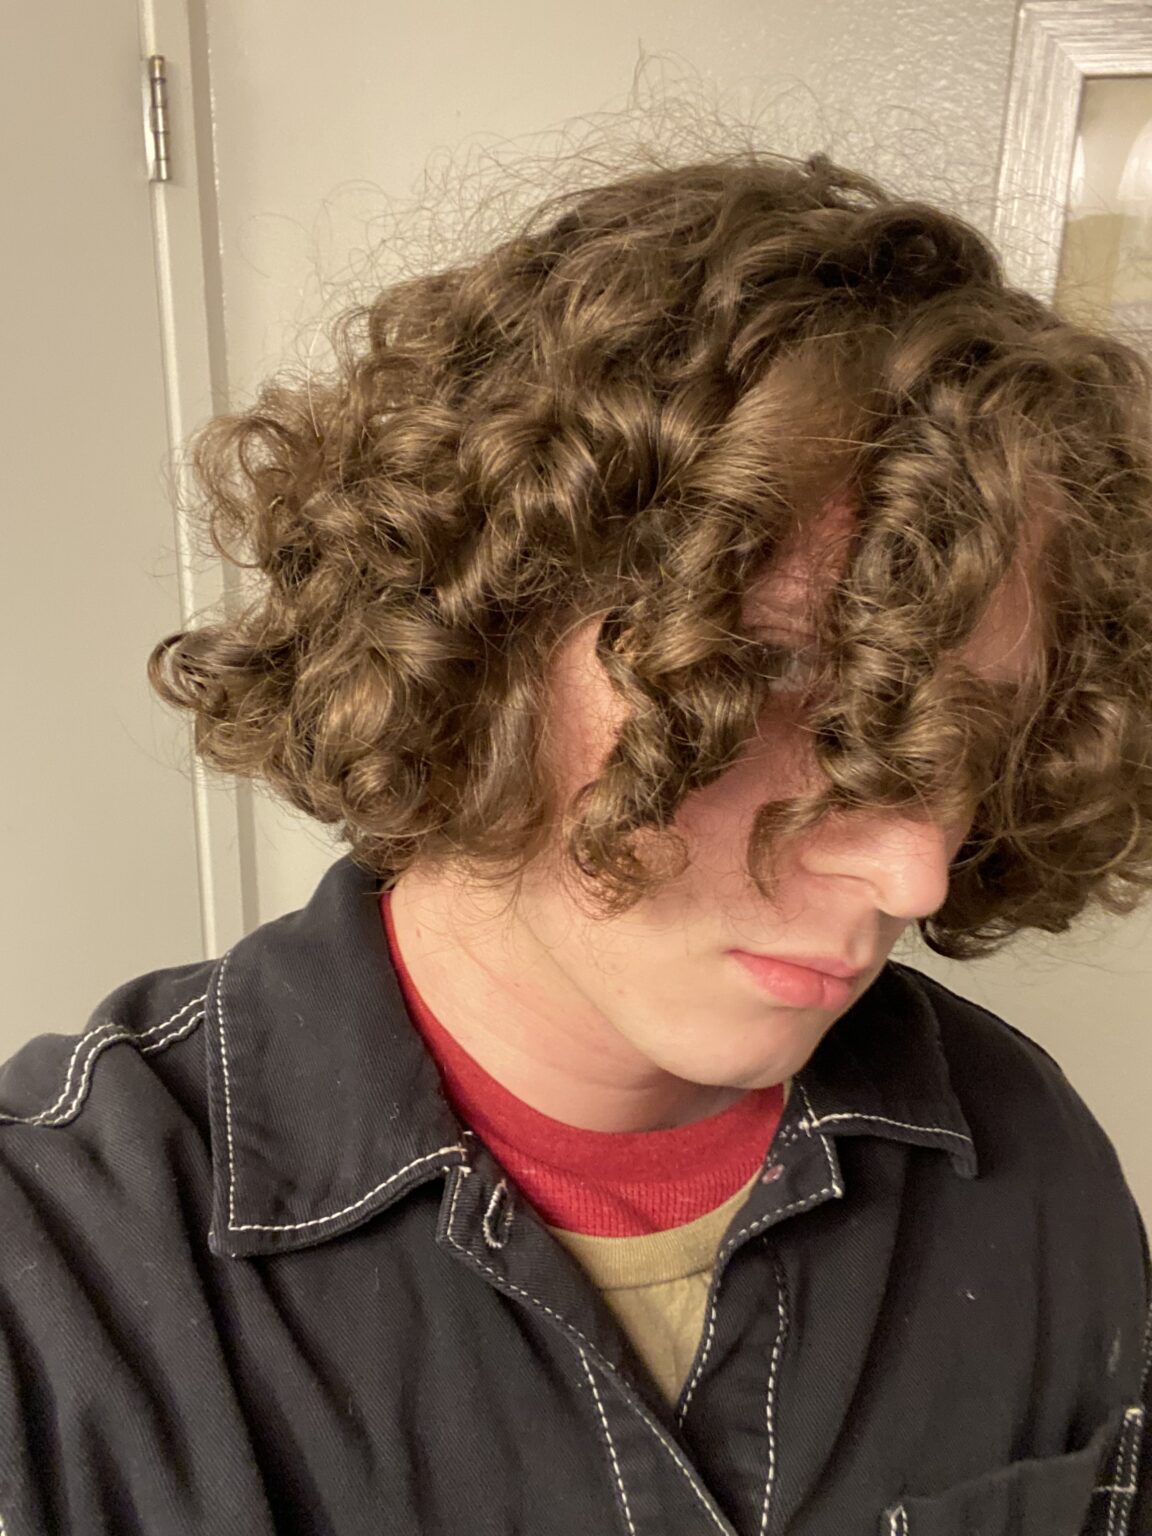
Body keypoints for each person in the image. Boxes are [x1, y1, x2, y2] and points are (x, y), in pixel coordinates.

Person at [2, 150, 1150, 1536]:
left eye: (966, 735)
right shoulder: (50, 1283)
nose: (912, 872)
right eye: (765, 683)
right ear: (483, 626)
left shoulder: (1028, 1159)